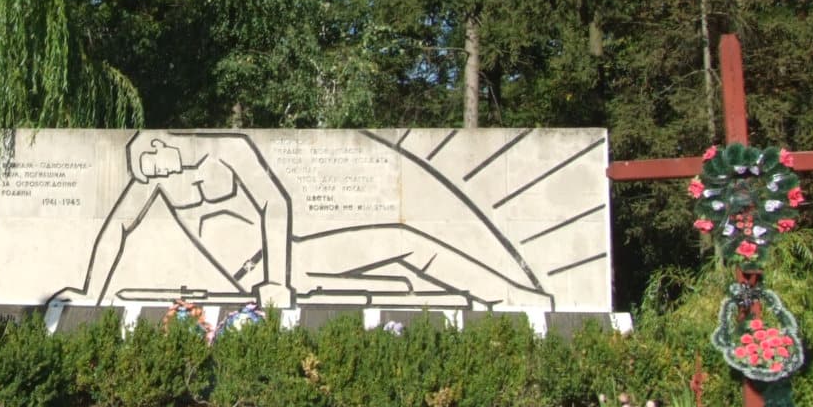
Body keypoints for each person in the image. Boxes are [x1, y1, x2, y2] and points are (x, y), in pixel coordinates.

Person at [49, 130, 552, 310]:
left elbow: (275, 203)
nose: (153, 177)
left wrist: (278, 279)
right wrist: (90, 291)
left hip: (285, 262)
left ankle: (514, 296)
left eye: (153, 165)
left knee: (404, 246)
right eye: (145, 173)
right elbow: (117, 227)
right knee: (401, 255)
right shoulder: (155, 176)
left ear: (164, 143)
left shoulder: (227, 149)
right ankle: (511, 296)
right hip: (256, 275)